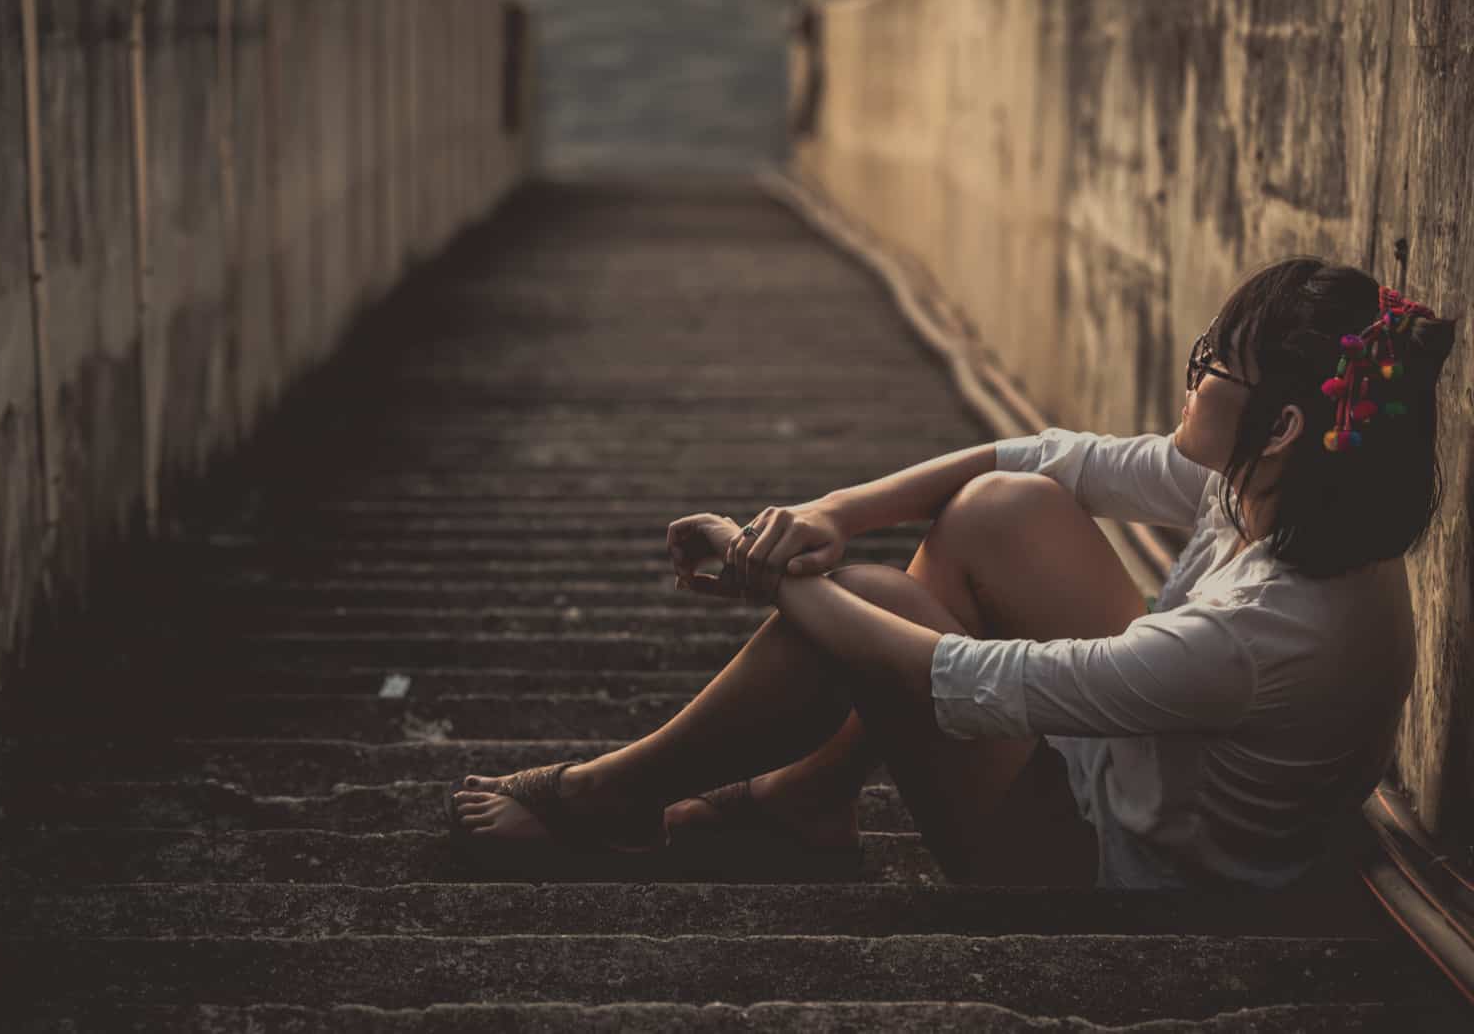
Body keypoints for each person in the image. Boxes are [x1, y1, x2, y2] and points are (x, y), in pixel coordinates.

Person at [447, 257, 1458, 889]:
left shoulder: (1262, 629)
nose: (1190, 376)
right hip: (1151, 774)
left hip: (1119, 870)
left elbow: (973, 685)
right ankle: (800, 800)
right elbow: (1053, 458)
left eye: (1211, 364)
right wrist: (831, 515)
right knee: (1001, 508)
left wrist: (778, 582)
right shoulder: (1281, 497)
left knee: (876, 607)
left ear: (1281, 426)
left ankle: (606, 796)